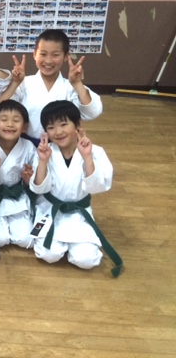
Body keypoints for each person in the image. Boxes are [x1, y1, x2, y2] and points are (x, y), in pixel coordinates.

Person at [30, 100, 123, 277]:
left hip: (79, 212)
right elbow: (39, 188)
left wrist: (87, 157)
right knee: (49, 255)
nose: (58, 132)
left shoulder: (95, 151)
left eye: (64, 124)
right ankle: (63, 245)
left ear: (78, 125)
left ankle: (74, 245)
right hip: (51, 210)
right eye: (51, 127)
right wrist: (43, 161)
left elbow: (97, 187)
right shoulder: (45, 151)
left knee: (87, 260)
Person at [0, 29, 103, 145]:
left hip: (61, 145)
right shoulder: (24, 83)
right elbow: (0, 109)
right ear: (34, 54)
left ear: (66, 56)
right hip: (25, 145)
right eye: (43, 54)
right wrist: (15, 83)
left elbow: (92, 112)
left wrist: (77, 83)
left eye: (55, 55)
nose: (48, 61)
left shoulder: (70, 87)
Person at [0, 100, 37, 249]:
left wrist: (28, 180)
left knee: (26, 240)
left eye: (16, 120)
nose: (10, 124)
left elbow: (35, 177)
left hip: (17, 196)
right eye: (4, 119)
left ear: (25, 127)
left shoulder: (28, 147)